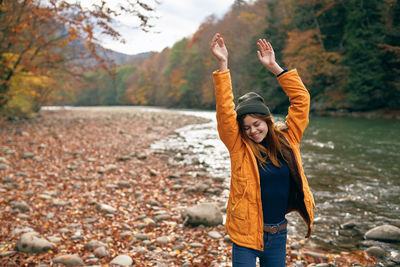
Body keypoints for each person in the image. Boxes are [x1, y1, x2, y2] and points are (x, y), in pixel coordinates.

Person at [210, 32, 316, 267]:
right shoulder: (239, 147)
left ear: (267, 120)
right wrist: (223, 65)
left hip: (278, 235)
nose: (252, 131)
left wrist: (275, 67)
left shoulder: (289, 138)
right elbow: (225, 113)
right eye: (246, 127)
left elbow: (301, 99)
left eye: (257, 124)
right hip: (246, 235)